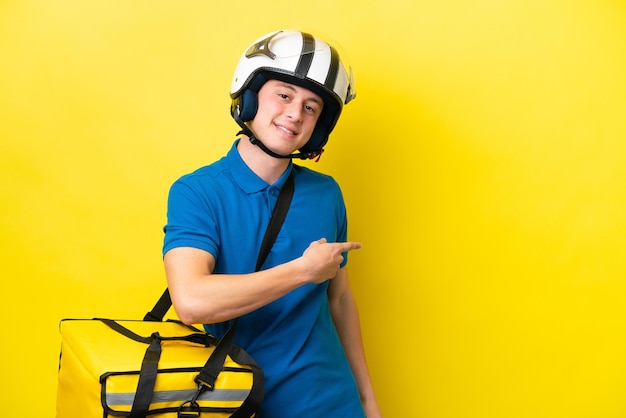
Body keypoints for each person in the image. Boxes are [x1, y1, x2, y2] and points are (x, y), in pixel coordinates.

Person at [162, 29, 381, 417]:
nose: (295, 114)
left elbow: (341, 299)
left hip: (331, 403)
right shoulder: (196, 192)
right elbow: (192, 301)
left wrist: (367, 401)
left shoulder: (327, 192)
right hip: (237, 403)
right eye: (284, 95)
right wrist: (302, 270)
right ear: (250, 97)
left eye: (311, 107)